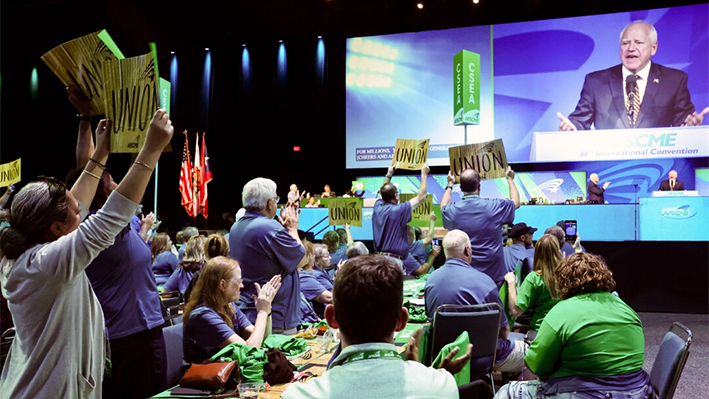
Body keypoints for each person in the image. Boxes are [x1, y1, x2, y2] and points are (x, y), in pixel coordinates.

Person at [0, 109, 173, 399]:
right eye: (77, 213)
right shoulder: (46, 262)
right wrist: (151, 150)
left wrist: (101, 152)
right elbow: (111, 218)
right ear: (56, 227)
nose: (83, 210)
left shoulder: (27, 251)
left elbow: (77, 197)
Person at [282, 255, 471, 399]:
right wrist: (422, 372)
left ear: (331, 318)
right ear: (402, 321)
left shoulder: (298, 395)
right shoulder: (442, 386)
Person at [494, 253, 653, 399]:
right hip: (638, 392)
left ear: (563, 281)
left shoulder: (560, 312)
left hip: (586, 394)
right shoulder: (627, 309)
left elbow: (536, 366)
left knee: (506, 392)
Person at [557, 21, 707, 131]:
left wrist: (689, 128)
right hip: (608, 165)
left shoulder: (674, 80)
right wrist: (573, 127)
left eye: (639, 42)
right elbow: (580, 120)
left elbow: (683, 123)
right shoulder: (595, 82)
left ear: (653, 47)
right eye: (625, 43)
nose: (631, 48)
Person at [424, 230, 526, 376]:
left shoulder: (431, 281)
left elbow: (430, 323)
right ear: (467, 250)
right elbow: (504, 333)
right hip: (485, 360)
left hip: (445, 360)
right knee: (536, 354)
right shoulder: (486, 282)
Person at [229, 178, 305, 334]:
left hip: (249, 311)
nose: (277, 204)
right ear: (269, 203)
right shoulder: (271, 228)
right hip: (275, 316)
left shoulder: (236, 226)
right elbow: (302, 260)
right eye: (276, 199)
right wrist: (292, 230)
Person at [182, 257, 281, 364]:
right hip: (204, 378)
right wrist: (261, 313)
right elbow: (248, 353)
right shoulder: (203, 316)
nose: (242, 286)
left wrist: (267, 309)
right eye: (238, 281)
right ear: (222, 284)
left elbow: (263, 338)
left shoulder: (229, 306)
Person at [440, 166, 520, 286]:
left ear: (460, 187)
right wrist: (509, 179)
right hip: (493, 278)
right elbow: (516, 202)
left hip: (464, 278)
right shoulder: (495, 206)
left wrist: (450, 185)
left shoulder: (453, 211)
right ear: (479, 185)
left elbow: (443, 207)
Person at [372, 162, 431, 276]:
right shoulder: (398, 210)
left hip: (378, 260)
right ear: (396, 195)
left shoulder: (377, 207)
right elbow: (421, 197)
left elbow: (381, 193)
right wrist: (424, 174)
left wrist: (389, 174)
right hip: (392, 263)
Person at [503, 234, 562, 339]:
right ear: (558, 252)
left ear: (537, 253)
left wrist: (511, 282)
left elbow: (516, 311)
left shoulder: (534, 278)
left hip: (539, 333)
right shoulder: (567, 276)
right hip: (563, 332)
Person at [299, 242, 332, 319]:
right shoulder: (305, 276)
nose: (314, 257)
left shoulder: (307, 274)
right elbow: (328, 297)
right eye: (312, 254)